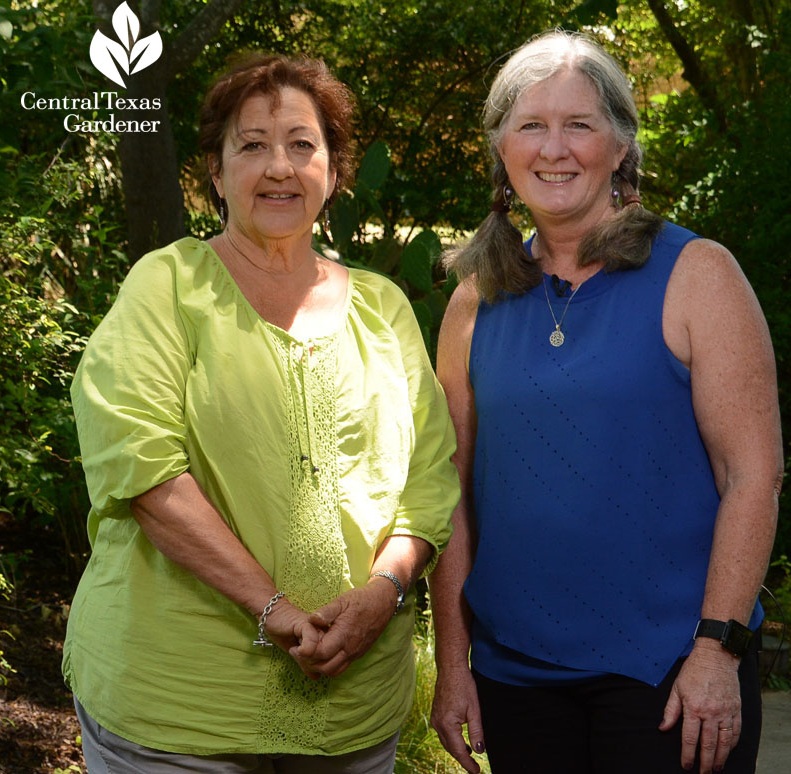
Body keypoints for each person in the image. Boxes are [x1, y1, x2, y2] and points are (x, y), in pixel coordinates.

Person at [63, 53, 459, 773]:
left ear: (335, 171)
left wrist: (385, 590)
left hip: (354, 710)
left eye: (302, 145)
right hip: (178, 710)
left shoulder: (384, 308)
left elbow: (430, 477)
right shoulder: (166, 287)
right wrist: (272, 609)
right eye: (251, 145)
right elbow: (141, 467)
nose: (279, 166)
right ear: (216, 173)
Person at [429, 29, 782, 774]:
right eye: (531, 125)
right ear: (502, 150)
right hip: (516, 677)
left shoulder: (698, 275)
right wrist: (453, 664)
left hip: (670, 674)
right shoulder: (472, 303)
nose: (554, 149)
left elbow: (754, 476)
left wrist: (718, 650)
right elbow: (450, 497)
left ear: (620, 146)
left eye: (579, 124)